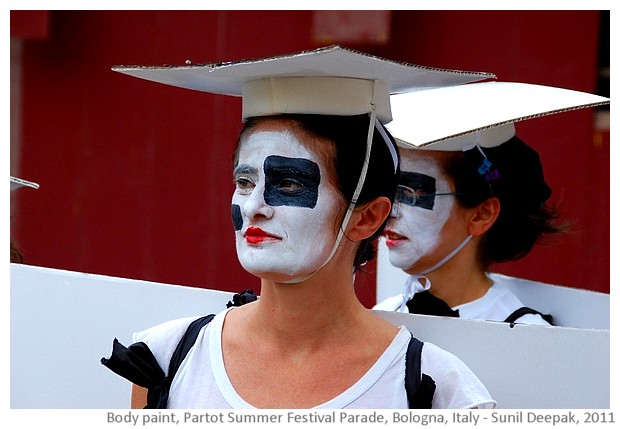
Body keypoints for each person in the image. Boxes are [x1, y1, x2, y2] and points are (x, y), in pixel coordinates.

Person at [102, 46, 496, 409]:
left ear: (367, 217)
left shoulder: (435, 388)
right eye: (244, 182)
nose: (254, 207)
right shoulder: (167, 358)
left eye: (288, 184)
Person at [374, 81, 610, 325]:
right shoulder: (385, 315)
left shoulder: (526, 333)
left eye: (413, 193)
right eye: (388, 189)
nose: (389, 211)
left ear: (481, 215)